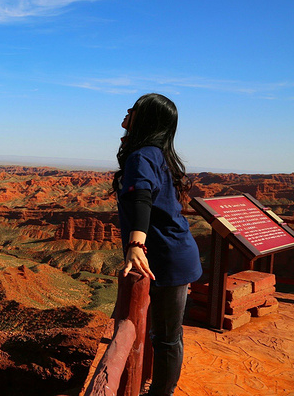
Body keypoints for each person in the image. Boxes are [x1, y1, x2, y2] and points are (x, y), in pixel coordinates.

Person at [112, 93, 202, 396]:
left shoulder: (143, 155)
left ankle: (161, 392)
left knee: (166, 337)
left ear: (147, 118)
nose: (126, 112)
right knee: (164, 333)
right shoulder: (153, 153)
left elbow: (142, 198)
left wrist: (135, 244)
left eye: (133, 109)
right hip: (172, 252)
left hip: (169, 256)